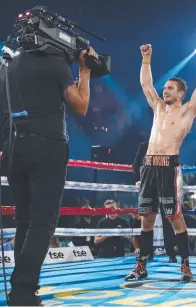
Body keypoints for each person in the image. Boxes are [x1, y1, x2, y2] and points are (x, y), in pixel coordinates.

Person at [0, 40, 95, 305]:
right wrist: (85, 71)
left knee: (24, 221)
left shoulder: (9, 64)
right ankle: (22, 290)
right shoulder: (55, 61)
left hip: (13, 148)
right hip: (46, 148)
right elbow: (80, 106)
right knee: (42, 221)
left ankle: (21, 287)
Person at [125, 44, 196, 282]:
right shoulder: (158, 108)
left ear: (180, 94)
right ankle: (142, 265)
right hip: (148, 166)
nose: (165, 91)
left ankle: (185, 265)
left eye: (170, 88)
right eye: (165, 87)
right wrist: (146, 59)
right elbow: (146, 86)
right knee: (146, 217)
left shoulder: (188, 111)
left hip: (169, 166)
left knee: (174, 217)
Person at [132, 141, 177, 263]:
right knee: (147, 220)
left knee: (168, 218)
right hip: (148, 186)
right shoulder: (144, 146)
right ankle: (147, 253)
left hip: (164, 185)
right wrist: (139, 180)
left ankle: (171, 253)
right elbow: (136, 165)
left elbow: (174, 166)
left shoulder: (167, 144)